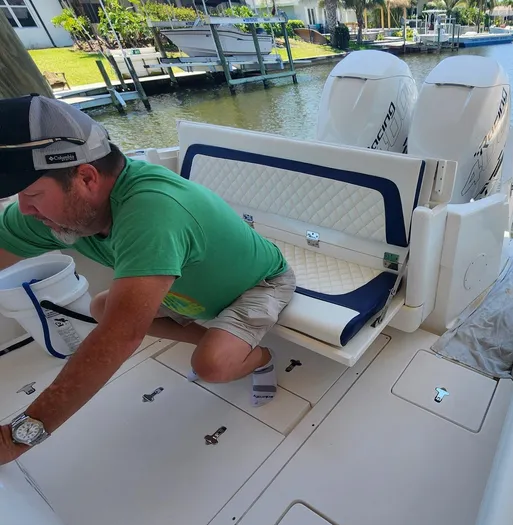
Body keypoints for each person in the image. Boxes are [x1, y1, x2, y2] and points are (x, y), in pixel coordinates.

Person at [0, 95, 295, 465]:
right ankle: (224, 339)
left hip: (258, 283)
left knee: (211, 365)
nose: (24, 208)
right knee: (100, 306)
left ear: (86, 178)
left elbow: (120, 337)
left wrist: (17, 438)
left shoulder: (152, 212)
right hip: (190, 294)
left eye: (30, 194)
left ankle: (261, 356)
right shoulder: (62, 210)